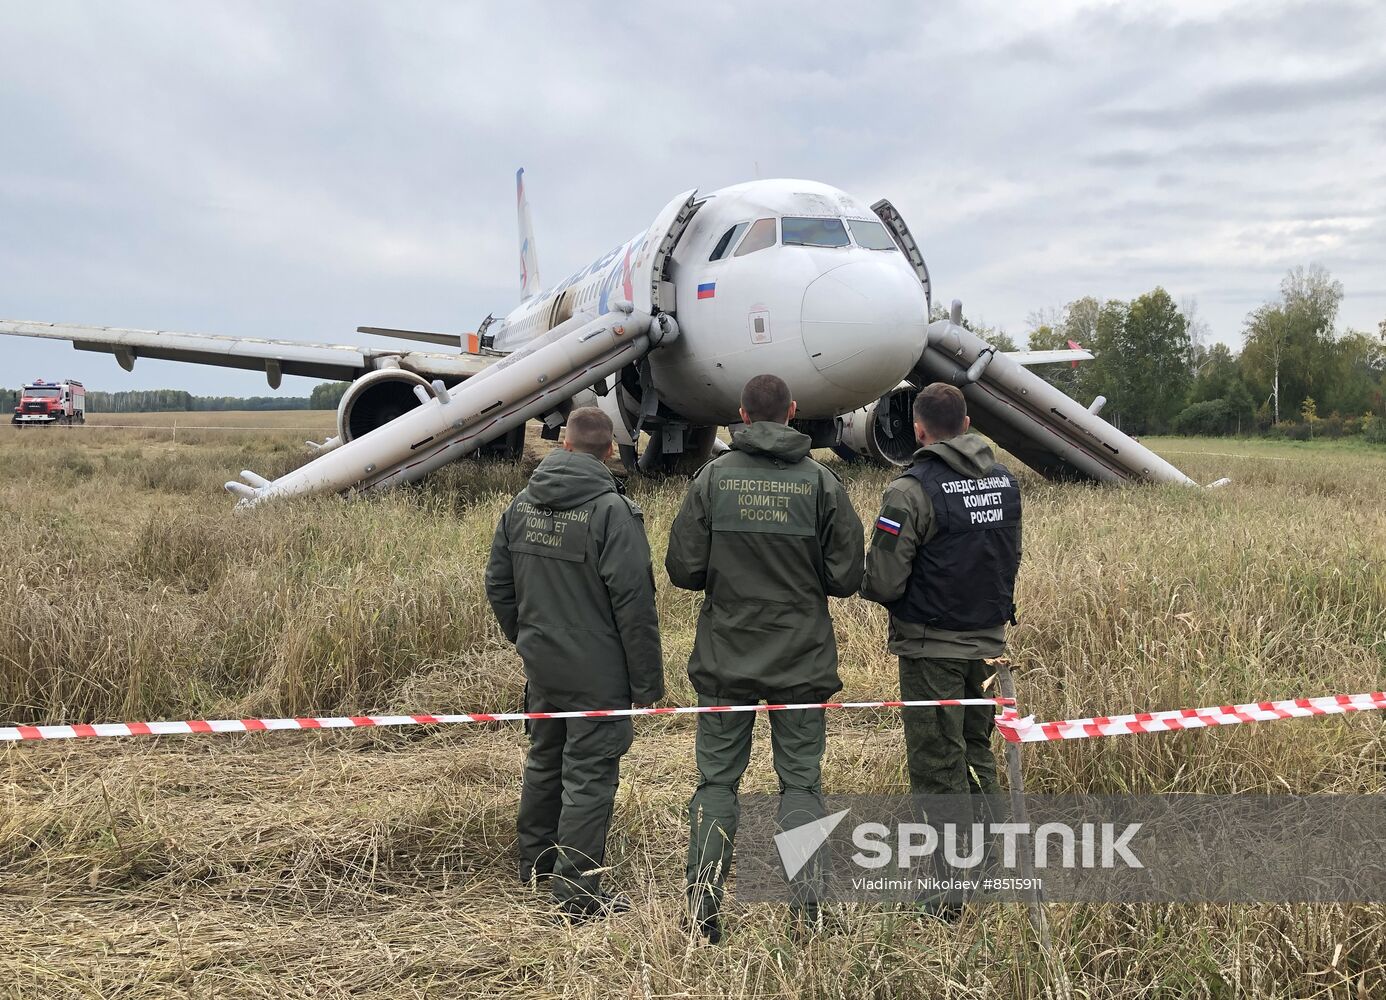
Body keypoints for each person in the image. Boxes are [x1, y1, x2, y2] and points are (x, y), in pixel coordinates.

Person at [666, 374, 865, 942]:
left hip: (726, 658)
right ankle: (809, 912)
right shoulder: (822, 482)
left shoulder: (712, 480)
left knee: (717, 785)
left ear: (742, 415)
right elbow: (847, 576)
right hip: (801, 660)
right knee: (800, 785)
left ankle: (703, 913)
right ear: (794, 412)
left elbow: (683, 570)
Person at [485, 406, 664, 920]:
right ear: (610, 451)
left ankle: (536, 865)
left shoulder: (520, 505)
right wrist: (647, 684)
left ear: (563, 445)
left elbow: (498, 583)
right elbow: (635, 605)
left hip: (543, 665)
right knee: (589, 776)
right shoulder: (612, 512)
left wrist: (527, 638)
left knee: (545, 759)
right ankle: (578, 894)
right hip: (598, 673)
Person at [859, 383, 1022, 908]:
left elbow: (883, 580)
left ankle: (949, 891)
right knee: (977, 752)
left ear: (919, 430)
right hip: (988, 644)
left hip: (932, 647)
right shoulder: (1005, 483)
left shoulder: (910, 490)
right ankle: (994, 866)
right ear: (968, 423)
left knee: (937, 763)